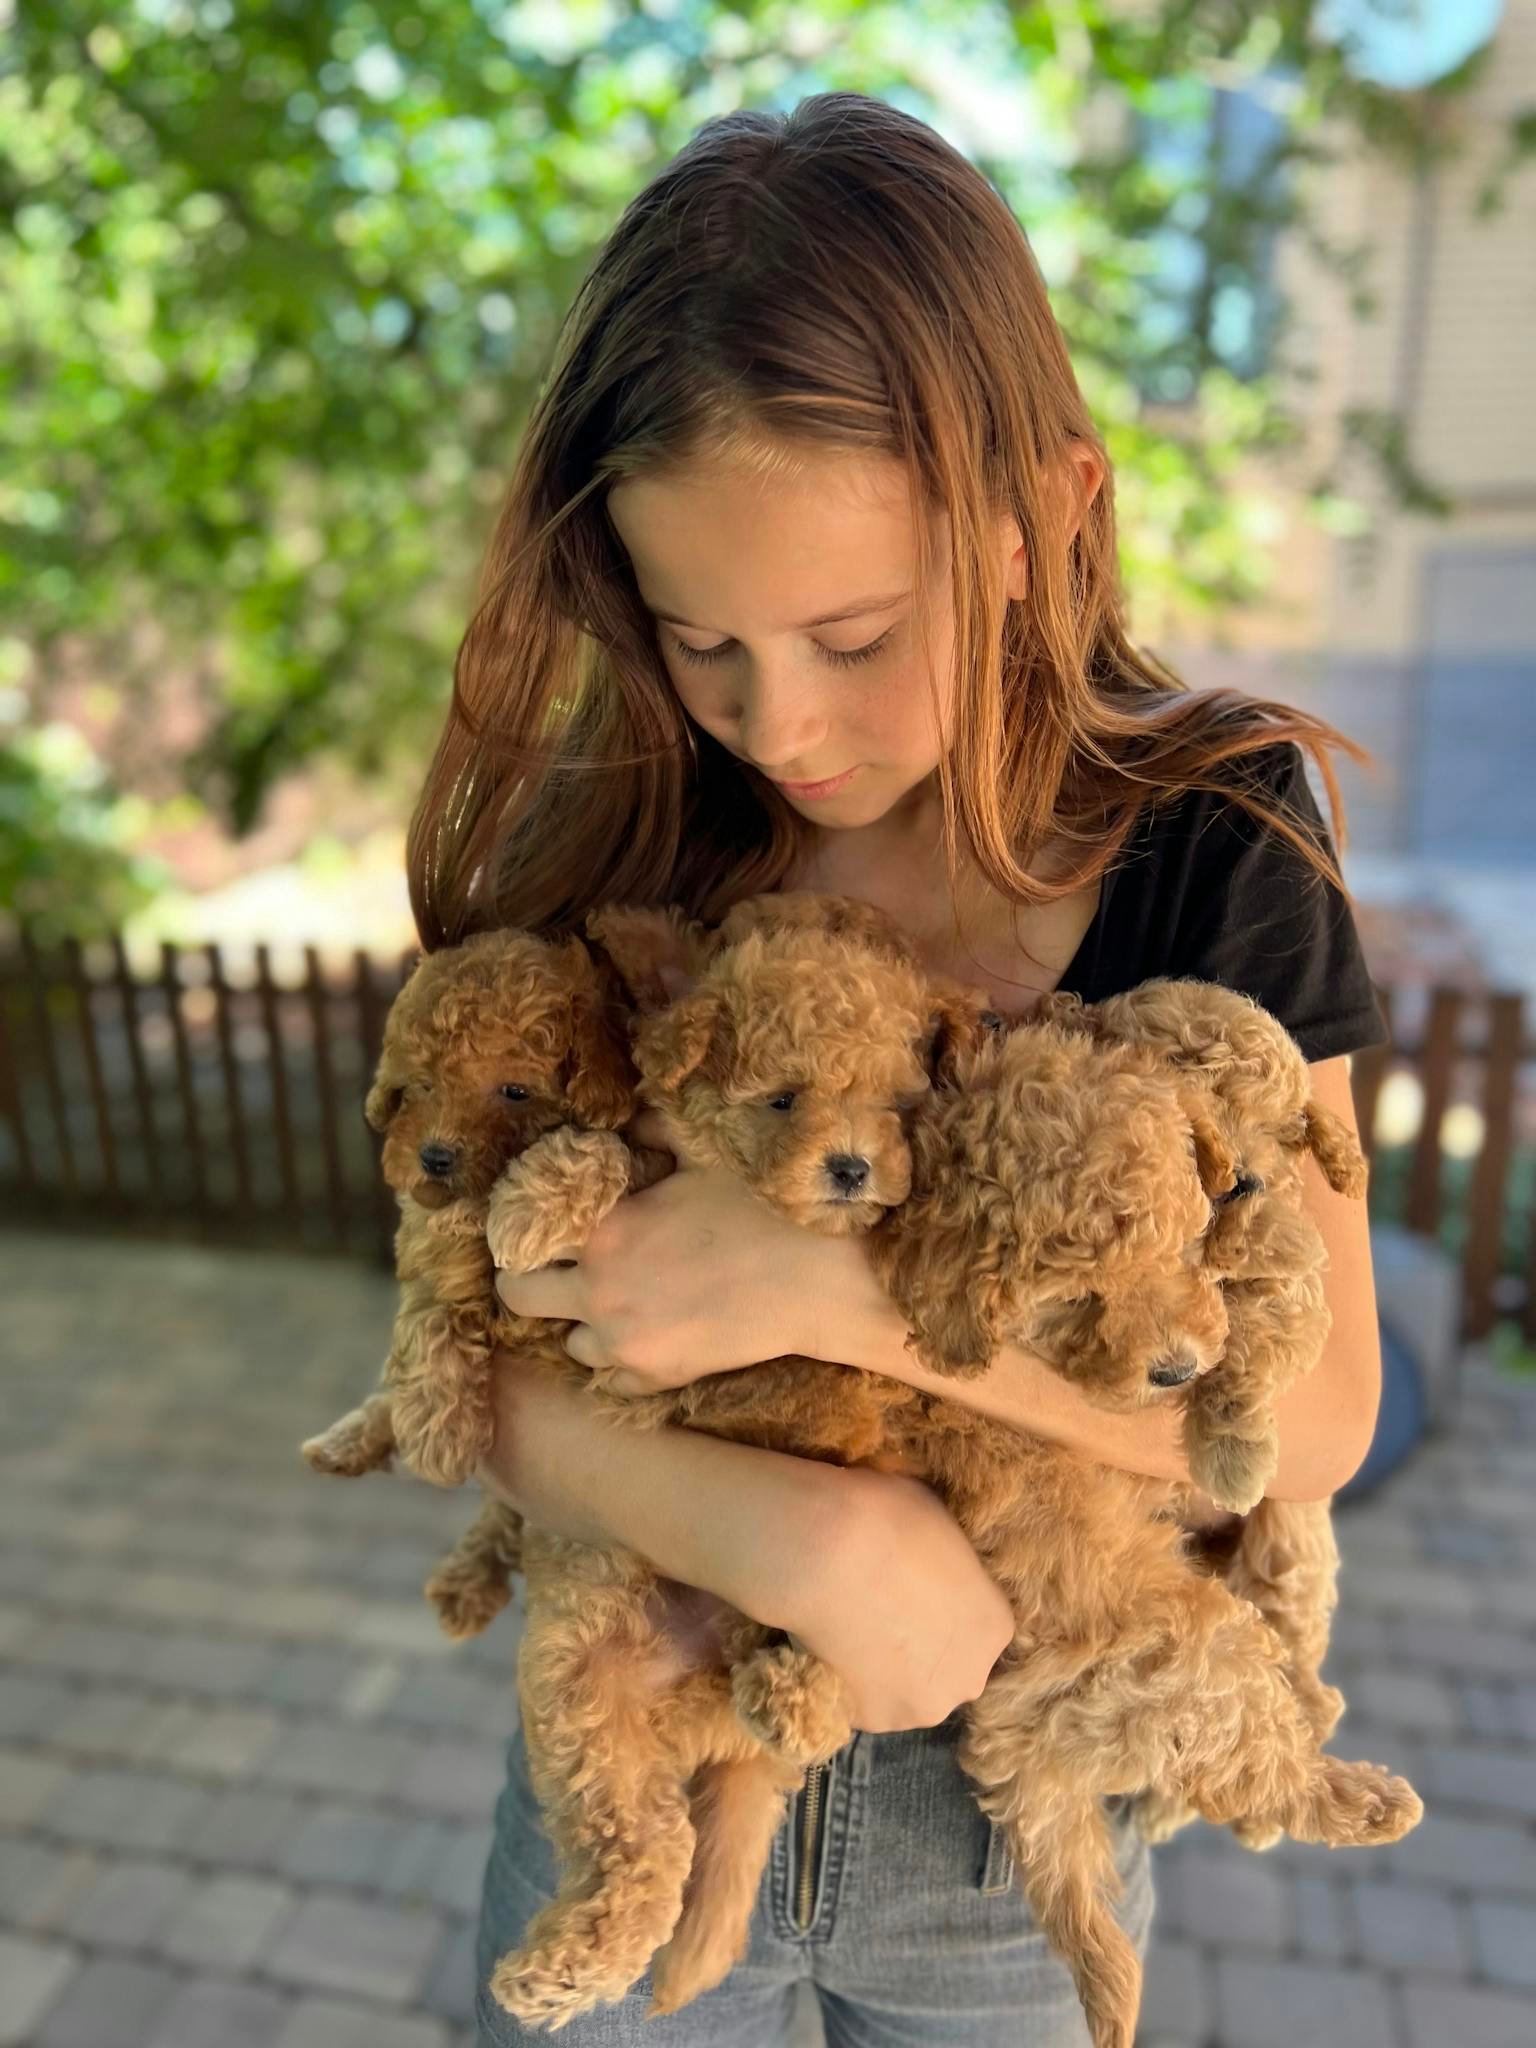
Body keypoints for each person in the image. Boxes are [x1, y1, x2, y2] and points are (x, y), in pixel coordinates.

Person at [405, 91, 1388, 2047]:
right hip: (646, 1736)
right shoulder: (643, 834)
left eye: (855, 633)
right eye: (703, 642)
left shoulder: (1215, 836)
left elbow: (1326, 1403)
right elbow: (464, 1339)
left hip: (1021, 1802)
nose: (783, 724)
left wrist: (838, 1289)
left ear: (1042, 514)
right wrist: (816, 1539)